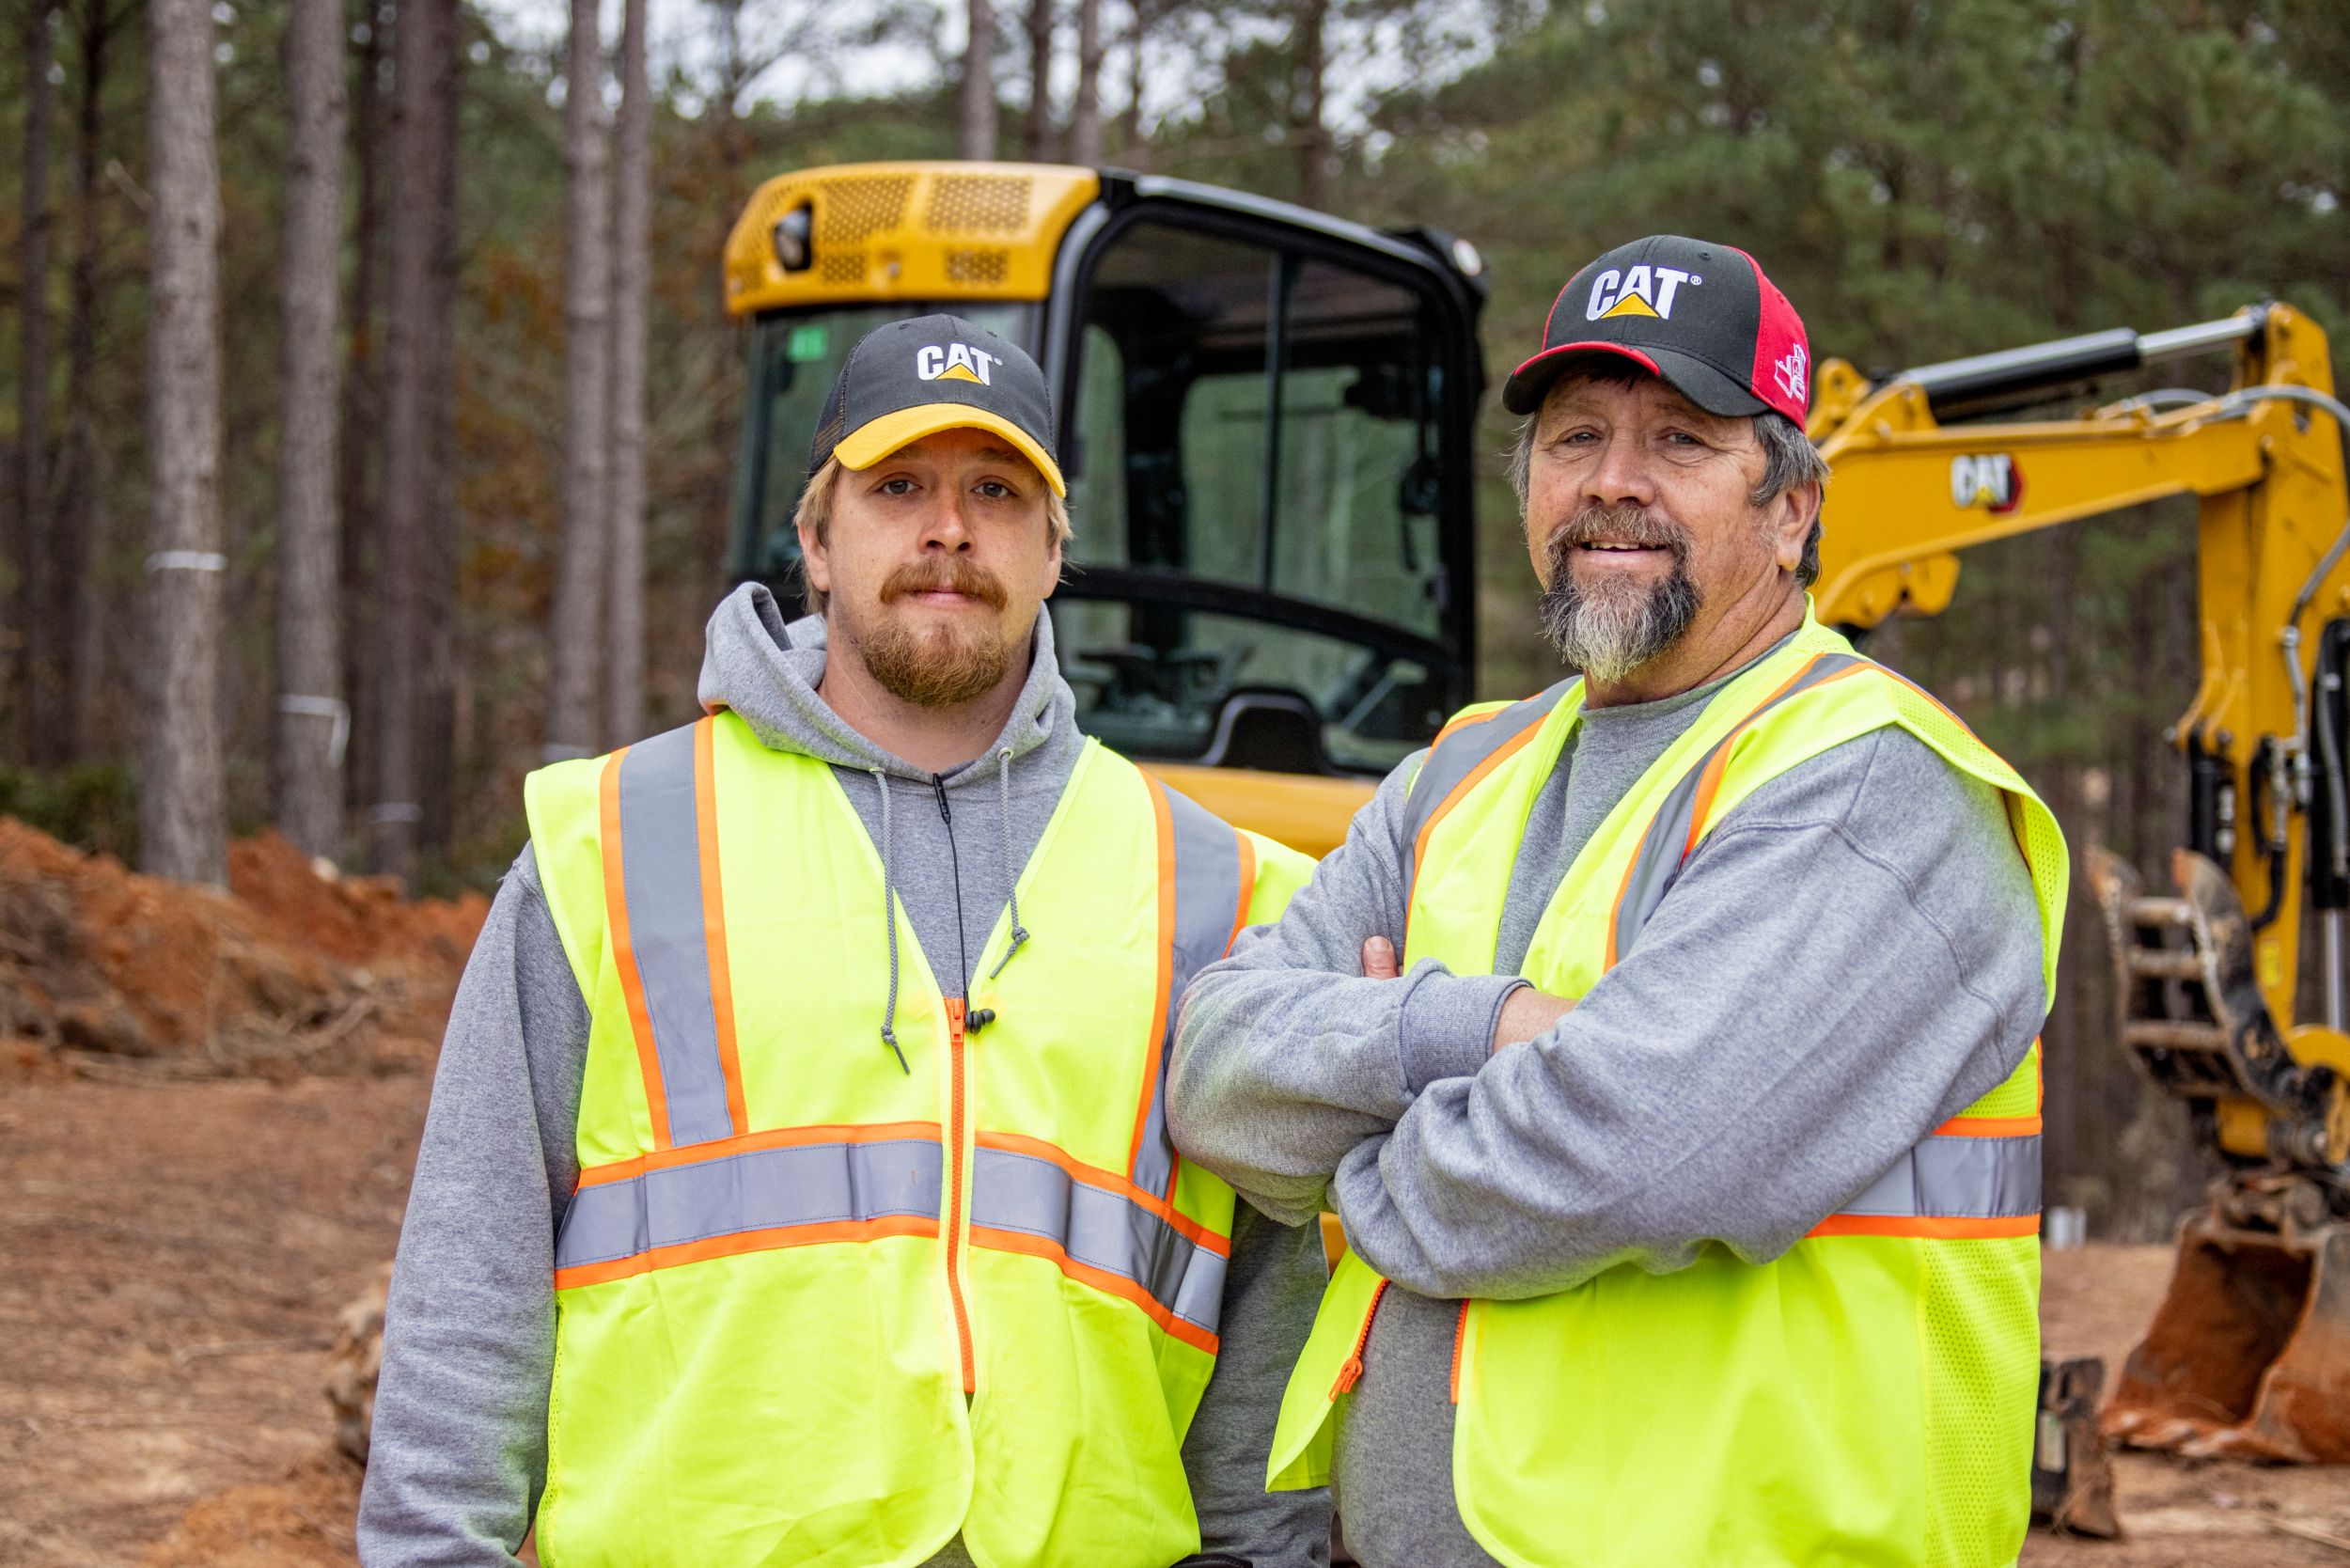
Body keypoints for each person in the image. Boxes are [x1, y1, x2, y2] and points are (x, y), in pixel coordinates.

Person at [358, 315, 1330, 1568]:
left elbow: (1265, 1334)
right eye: (898, 488)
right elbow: (470, 1287)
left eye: (996, 491)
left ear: (1052, 552)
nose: (948, 528)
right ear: (817, 542)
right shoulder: (613, 843)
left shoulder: (1218, 890)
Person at [1167, 238, 2063, 1568]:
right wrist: (1471, 1034)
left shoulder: (1874, 788)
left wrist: (1348, 1180)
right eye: (1576, 436)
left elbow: (1629, 1158)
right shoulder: (1458, 774)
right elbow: (1214, 1074)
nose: (1613, 486)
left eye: (1681, 441)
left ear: (1791, 509)